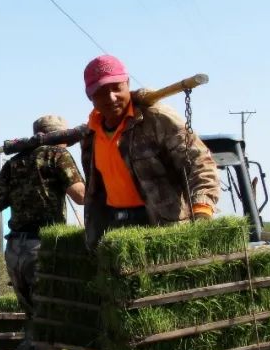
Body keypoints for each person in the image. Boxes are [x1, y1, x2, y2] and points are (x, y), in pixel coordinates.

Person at [79, 54, 220, 249]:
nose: (111, 97)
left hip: (162, 225)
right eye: (101, 92)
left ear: (127, 83)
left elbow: (200, 164)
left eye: (116, 88)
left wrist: (202, 210)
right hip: (114, 227)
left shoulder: (156, 119)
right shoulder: (91, 134)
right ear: (90, 96)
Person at [0, 114, 86, 316]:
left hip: (14, 250)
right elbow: (81, 196)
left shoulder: (13, 163)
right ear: (60, 136)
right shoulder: (57, 154)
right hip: (43, 246)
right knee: (50, 317)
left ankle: (31, 346)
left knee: (32, 318)